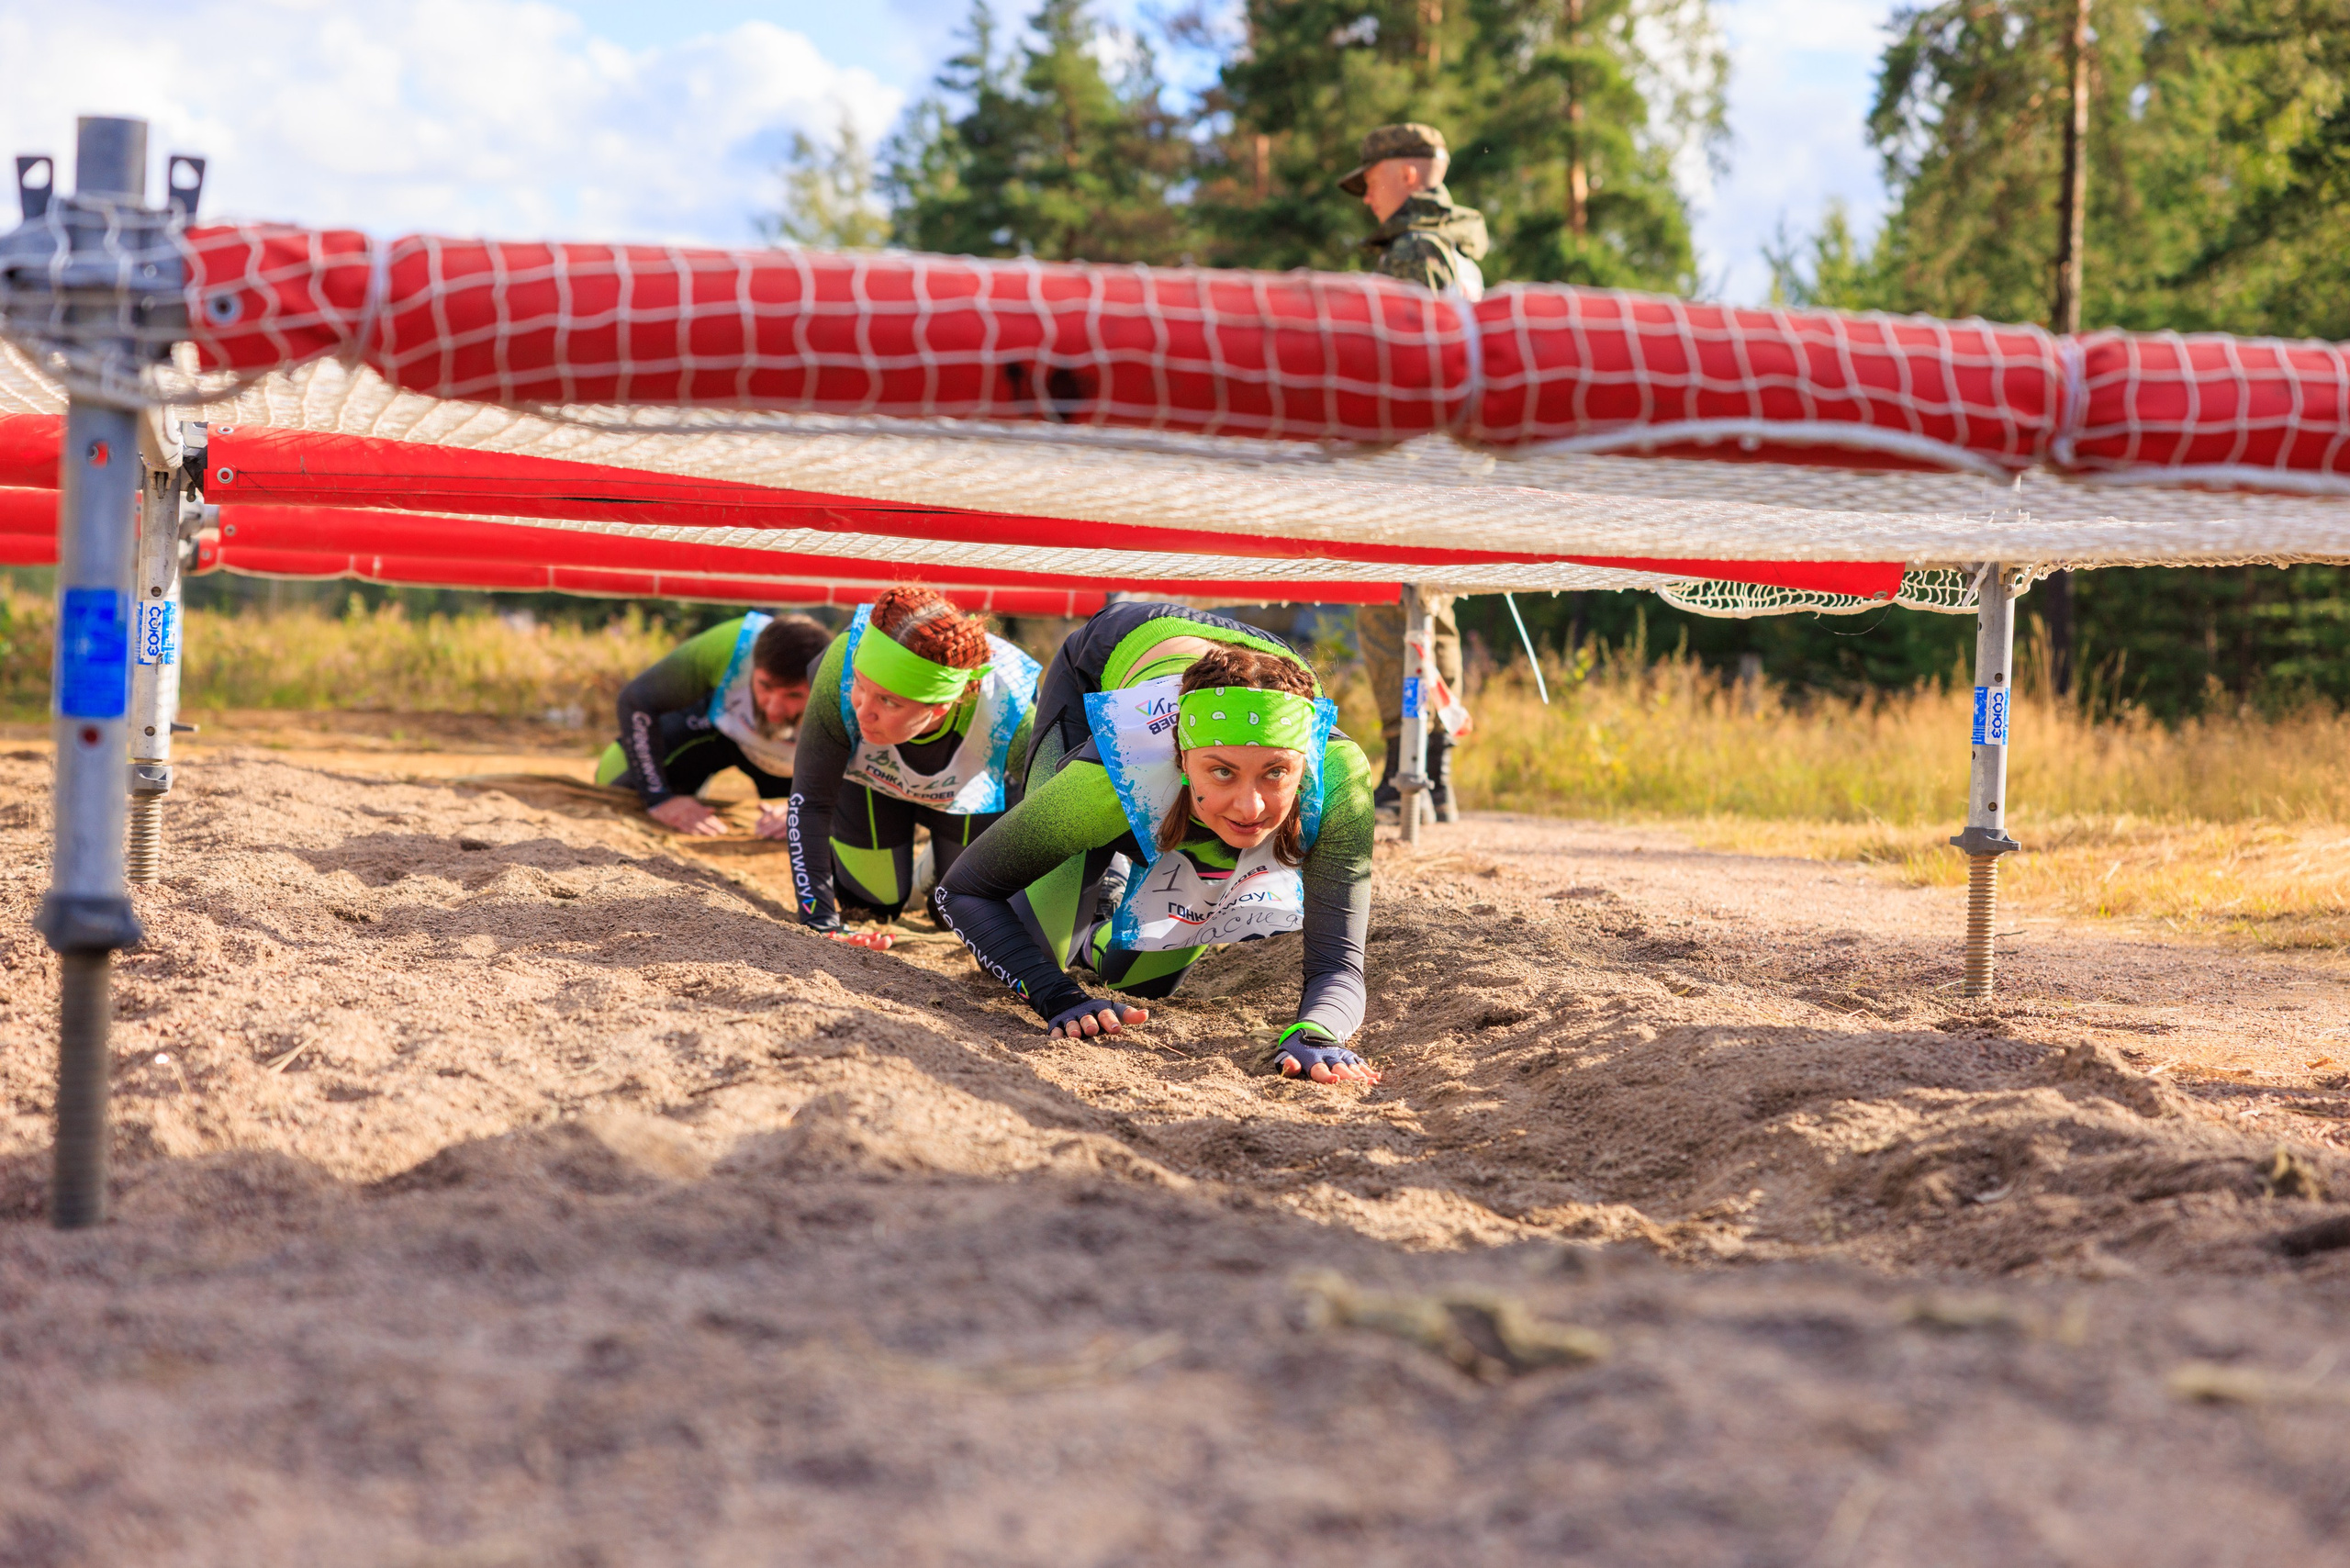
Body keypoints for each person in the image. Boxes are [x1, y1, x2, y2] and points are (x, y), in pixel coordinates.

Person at [938, 611, 1378, 1086]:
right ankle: (1096, 856)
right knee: (1037, 948)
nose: (1250, 806)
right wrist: (1057, 996)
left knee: (1144, 982)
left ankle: (1101, 926)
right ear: (1181, 759)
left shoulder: (1340, 779)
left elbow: (1339, 964)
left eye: (1275, 772)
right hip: (1108, 653)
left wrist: (1317, 1036)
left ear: (1305, 762)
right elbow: (963, 892)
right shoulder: (1105, 779)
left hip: (1260, 666)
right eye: (1223, 771)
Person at [1341, 121, 1487, 821]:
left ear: (1403, 175)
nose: (1365, 199)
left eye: (1368, 181)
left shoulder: (1415, 249)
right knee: (1432, 605)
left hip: (1416, 457)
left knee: (1388, 600)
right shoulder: (1457, 249)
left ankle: (1412, 775)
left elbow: (1416, 361)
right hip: (1453, 455)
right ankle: (1433, 777)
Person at [786, 586, 1040, 945]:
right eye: (860, 686)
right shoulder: (841, 666)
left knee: (956, 914)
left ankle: (931, 867)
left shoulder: (1007, 709)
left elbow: (1065, 809)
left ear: (940, 706)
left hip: (967, 792)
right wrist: (821, 922)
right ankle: (916, 864)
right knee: (873, 905)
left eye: (889, 701)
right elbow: (809, 800)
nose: (863, 710)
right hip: (873, 782)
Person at [596, 610, 833, 838]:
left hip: (798, 766)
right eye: (765, 686)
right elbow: (636, 699)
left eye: (793, 696)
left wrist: (814, 808)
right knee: (617, 784)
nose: (773, 709)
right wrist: (659, 799)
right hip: (718, 732)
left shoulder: (846, 682)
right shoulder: (734, 644)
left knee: (828, 831)